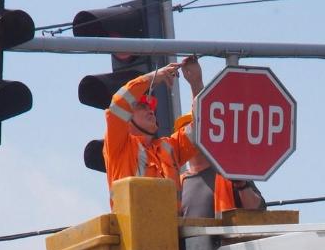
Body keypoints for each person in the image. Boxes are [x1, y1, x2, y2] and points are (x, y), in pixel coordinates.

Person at [176, 57, 266, 218]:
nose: (193, 133)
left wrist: (196, 83)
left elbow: (257, 212)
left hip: (227, 244)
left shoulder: (230, 173)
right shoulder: (178, 184)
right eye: (187, 130)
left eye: (195, 129)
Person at [103, 63, 197, 204]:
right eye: (142, 106)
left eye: (150, 107)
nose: (150, 110)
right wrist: (152, 77)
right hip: (133, 226)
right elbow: (118, 105)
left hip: (170, 225)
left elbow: (201, 128)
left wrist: (196, 83)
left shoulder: (169, 147)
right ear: (127, 118)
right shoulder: (119, 148)